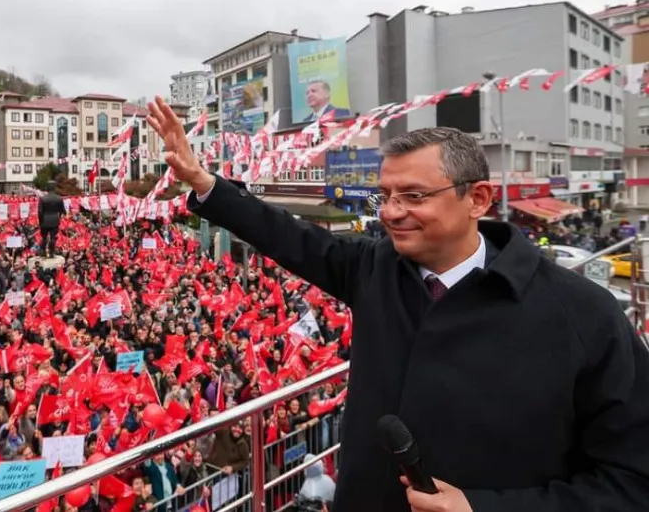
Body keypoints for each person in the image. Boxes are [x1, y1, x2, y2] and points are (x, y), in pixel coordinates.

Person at [147, 96, 649, 512]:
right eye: (384, 196)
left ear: (476, 199)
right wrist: (202, 182)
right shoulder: (373, 269)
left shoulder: (584, 316)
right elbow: (286, 235)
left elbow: (630, 482)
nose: (391, 213)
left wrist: (483, 507)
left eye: (413, 196)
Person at [36, 186, 64, 257]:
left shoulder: (43, 199)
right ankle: (51, 252)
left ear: (47, 189)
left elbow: (40, 211)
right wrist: (59, 217)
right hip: (55, 219)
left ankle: (42, 251)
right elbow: (62, 210)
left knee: (44, 237)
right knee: (53, 237)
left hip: (45, 219)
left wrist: (40, 220)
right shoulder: (59, 198)